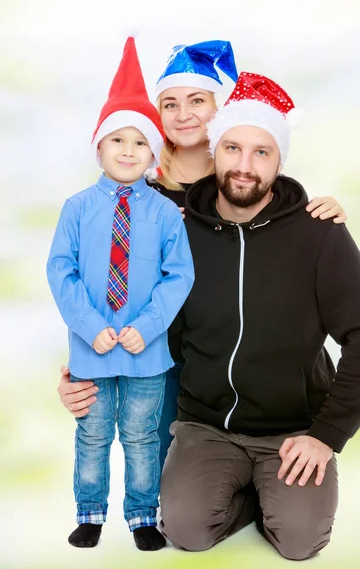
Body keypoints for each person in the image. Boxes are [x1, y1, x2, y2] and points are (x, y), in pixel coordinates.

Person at [56, 41, 348, 470]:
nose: (183, 113)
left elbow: (290, 239)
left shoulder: (244, 178)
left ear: (220, 109)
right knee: (162, 485)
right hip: (159, 356)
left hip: (252, 361)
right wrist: (78, 369)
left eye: (197, 100)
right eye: (169, 104)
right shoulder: (138, 190)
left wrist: (328, 213)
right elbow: (94, 276)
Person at [159, 71, 360, 560]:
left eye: (261, 152)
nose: (244, 166)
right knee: (185, 531)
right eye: (232, 149)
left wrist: (325, 437)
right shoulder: (179, 232)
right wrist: (86, 365)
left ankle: (282, 498)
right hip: (205, 425)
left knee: (301, 544)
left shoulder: (319, 233)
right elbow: (150, 318)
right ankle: (245, 497)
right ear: (214, 151)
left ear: (279, 161)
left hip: (295, 430)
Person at [46, 37, 194, 551]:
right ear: (99, 147)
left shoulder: (163, 214)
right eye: (117, 141)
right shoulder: (77, 208)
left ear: (154, 153)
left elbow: (180, 276)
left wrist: (144, 328)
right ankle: (89, 512)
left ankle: (141, 517)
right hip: (91, 349)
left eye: (139, 142)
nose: (128, 151)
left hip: (146, 353)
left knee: (141, 439)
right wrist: (92, 328)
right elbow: (59, 271)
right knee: (91, 436)